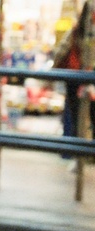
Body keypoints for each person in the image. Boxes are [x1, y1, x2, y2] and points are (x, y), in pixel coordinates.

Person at [55, 0, 95, 167]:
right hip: (81, 73)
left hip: (79, 74)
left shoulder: (81, 23)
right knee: (81, 115)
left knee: (80, 115)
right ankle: (82, 154)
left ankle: (81, 154)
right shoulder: (83, 24)